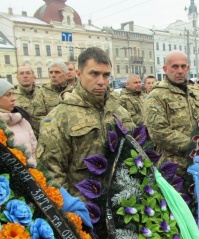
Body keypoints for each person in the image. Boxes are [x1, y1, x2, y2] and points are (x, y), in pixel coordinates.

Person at [36, 47, 135, 196]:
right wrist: (73, 207)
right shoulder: (60, 117)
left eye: (106, 75)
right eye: (94, 74)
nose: (101, 81)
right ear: (79, 74)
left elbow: (134, 154)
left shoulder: (119, 112)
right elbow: (50, 171)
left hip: (122, 205)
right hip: (85, 209)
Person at [144, 51, 199, 177]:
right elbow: (158, 132)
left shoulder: (195, 93)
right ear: (165, 69)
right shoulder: (156, 96)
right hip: (174, 170)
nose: (180, 71)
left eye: (183, 66)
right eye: (175, 67)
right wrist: (195, 145)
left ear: (188, 68)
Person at [0, 78, 37, 166]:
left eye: (13, 94)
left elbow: (35, 149)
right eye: (8, 95)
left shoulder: (22, 120)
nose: (13, 99)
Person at [31, 61, 69, 136]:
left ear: (66, 75)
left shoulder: (73, 91)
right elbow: (37, 118)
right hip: (52, 135)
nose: (53, 75)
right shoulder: (42, 92)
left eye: (57, 72)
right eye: (51, 72)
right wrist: (54, 125)